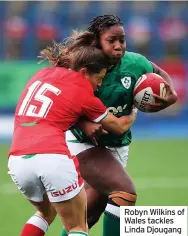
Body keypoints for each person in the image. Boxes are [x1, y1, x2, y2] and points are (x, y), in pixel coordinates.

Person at [8, 31, 137, 236]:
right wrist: (134, 111)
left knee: (45, 213)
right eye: (99, 77)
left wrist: (81, 122)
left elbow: (56, 107)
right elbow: (119, 126)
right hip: (53, 157)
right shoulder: (83, 91)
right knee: (77, 226)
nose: (100, 84)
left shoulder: (42, 74)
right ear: (84, 72)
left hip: (17, 160)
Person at [61, 15, 178, 236]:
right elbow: (65, 101)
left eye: (122, 40)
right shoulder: (85, 66)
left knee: (88, 215)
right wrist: (84, 123)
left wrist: (169, 94)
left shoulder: (135, 63)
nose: (118, 46)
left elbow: (160, 74)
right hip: (84, 144)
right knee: (124, 192)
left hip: (117, 146)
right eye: (111, 40)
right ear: (97, 41)